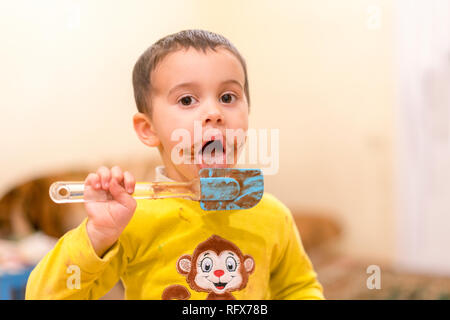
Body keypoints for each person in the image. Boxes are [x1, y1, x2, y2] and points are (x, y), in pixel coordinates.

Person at [25, 29, 324, 300]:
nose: (214, 112)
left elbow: (299, 288)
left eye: (228, 96)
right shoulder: (132, 220)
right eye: (186, 100)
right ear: (148, 129)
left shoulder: (273, 216)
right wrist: (97, 235)